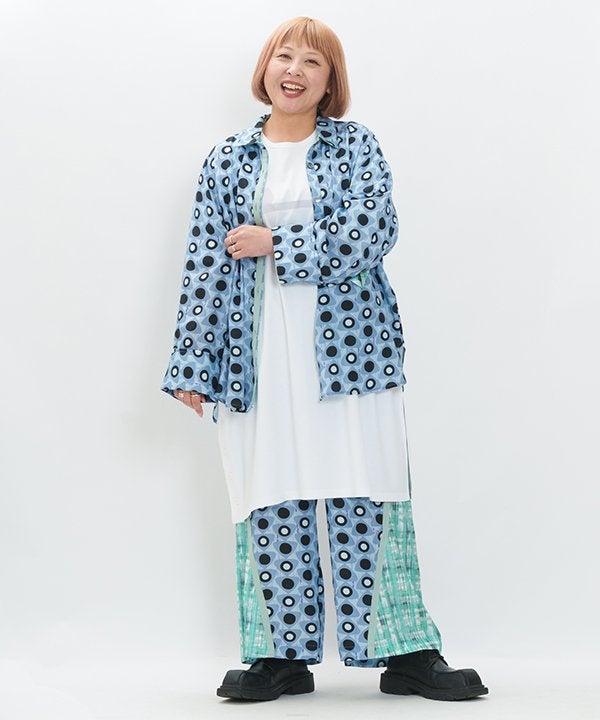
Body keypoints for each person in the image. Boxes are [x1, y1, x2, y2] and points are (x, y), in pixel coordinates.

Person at [161, 16, 489, 703]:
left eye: (313, 62)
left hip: (352, 352)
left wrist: (275, 241)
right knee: (270, 491)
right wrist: (193, 362)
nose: (295, 70)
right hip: (257, 356)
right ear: (265, 68)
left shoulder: (356, 145)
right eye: (285, 56)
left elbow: (373, 229)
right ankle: (278, 656)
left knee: (369, 485)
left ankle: (405, 649)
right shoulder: (227, 158)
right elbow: (204, 263)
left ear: (330, 81)